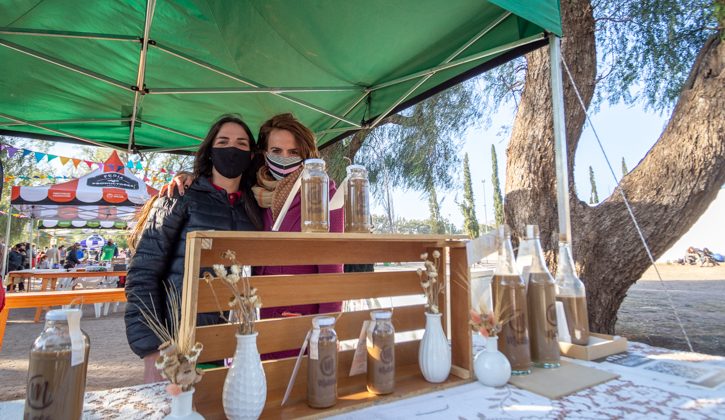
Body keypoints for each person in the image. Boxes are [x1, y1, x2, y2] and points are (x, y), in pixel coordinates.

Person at [165, 113, 344, 357]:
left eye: (294, 152)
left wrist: (324, 327)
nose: (284, 158)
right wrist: (190, 177)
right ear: (263, 154)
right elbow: (222, 181)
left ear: (306, 154)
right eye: (276, 150)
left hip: (303, 319)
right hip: (259, 318)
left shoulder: (321, 192)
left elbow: (333, 270)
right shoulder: (255, 194)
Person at [125, 114, 263, 383]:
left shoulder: (254, 208)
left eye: (241, 144)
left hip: (233, 344)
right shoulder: (178, 196)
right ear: (210, 151)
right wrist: (152, 350)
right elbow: (142, 274)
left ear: (251, 155)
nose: (231, 149)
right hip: (180, 344)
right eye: (223, 142)